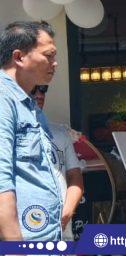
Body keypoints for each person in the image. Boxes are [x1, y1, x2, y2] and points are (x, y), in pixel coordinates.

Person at [0, 21, 62, 240]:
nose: (55, 63)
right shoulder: (3, 100)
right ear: (19, 57)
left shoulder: (30, 105)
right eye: (49, 55)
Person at [31, 84, 84, 240]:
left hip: (61, 231)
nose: (39, 94)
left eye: (43, 89)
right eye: (33, 89)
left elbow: (75, 177)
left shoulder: (60, 133)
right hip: (24, 230)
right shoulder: (7, 134)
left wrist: (67, 213)